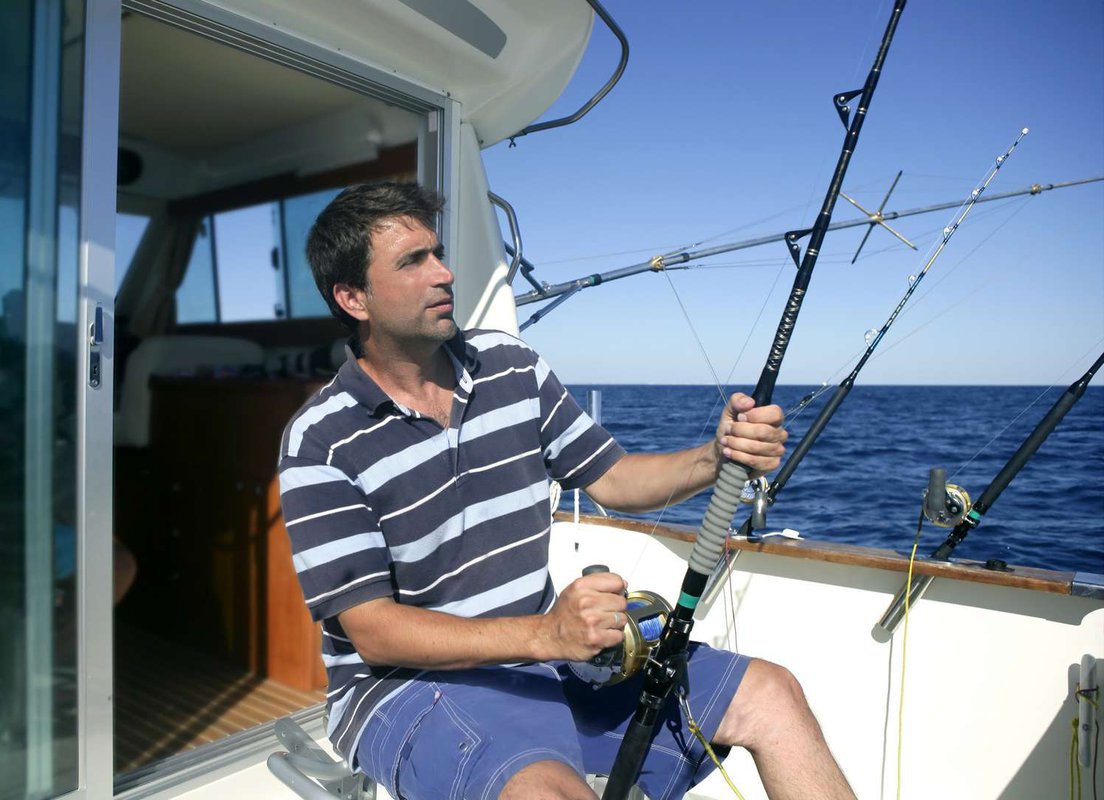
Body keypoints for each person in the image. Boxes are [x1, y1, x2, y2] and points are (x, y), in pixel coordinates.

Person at [278, 182, 854, 800]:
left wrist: (719, 456)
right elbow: (373, 631)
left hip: (545, 651)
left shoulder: (510, 366)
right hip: (403, 684)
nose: (444, 273)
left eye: (439, 253)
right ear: (352, 297)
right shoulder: (320, 440)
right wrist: (547, 634)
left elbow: (613, 477)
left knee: (772, 693)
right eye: (413, 261)